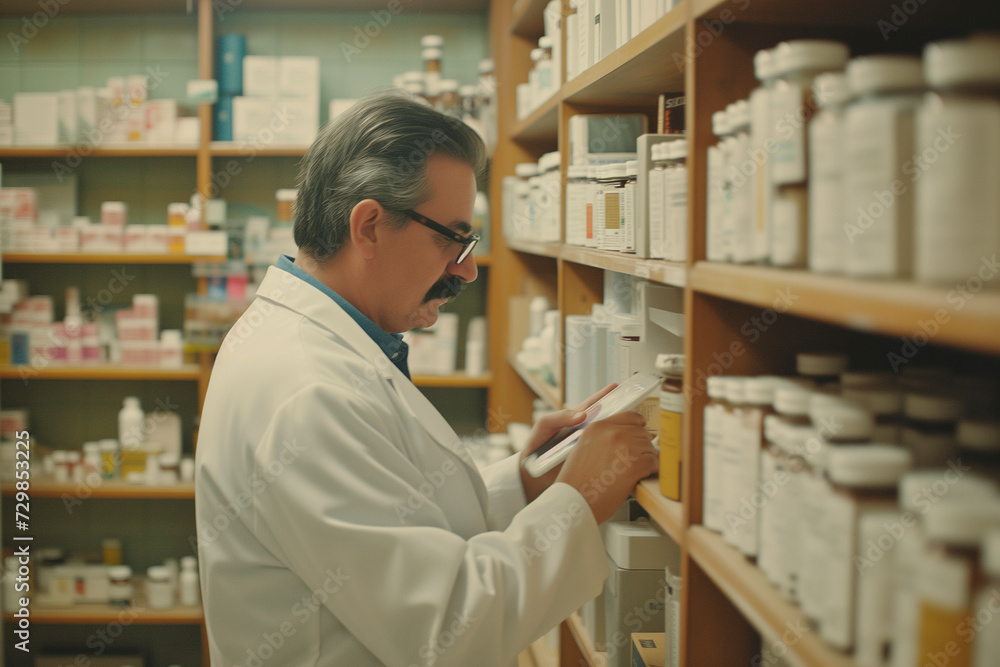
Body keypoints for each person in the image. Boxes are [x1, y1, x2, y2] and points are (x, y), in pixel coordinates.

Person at [195, 90, 658, 667]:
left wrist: (525, 484)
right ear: (368, 226)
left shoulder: (315, 344)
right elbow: (446, 631)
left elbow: (395, 517)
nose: (465, 268)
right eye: (453, 238)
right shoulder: (308, 392)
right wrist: (580, 498)